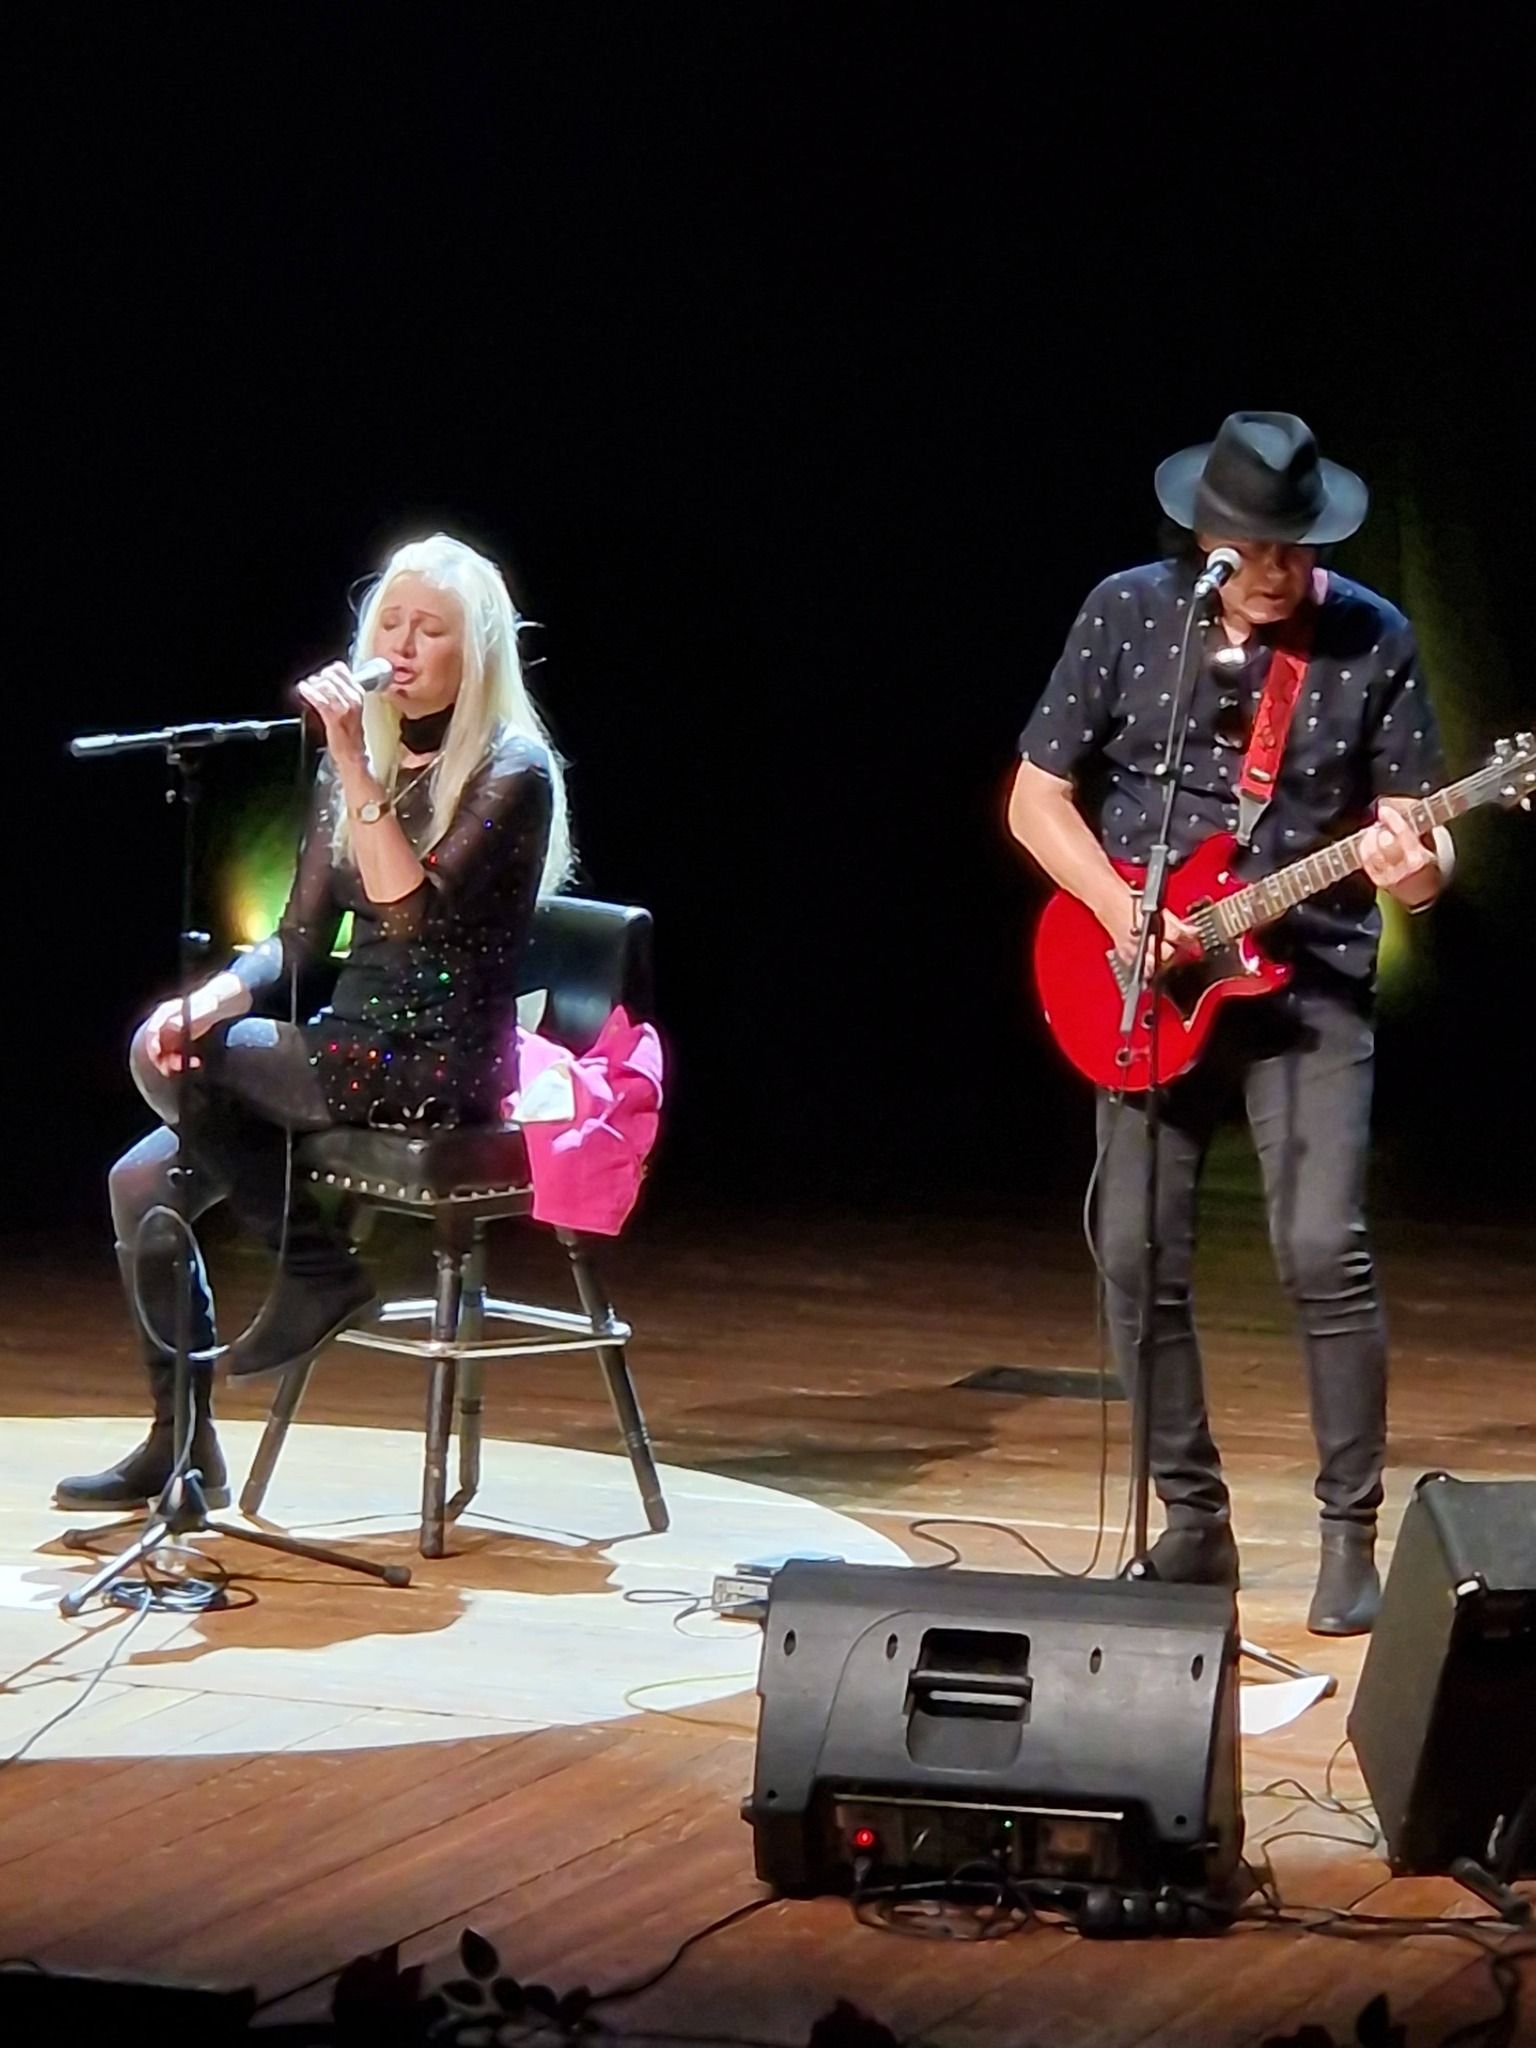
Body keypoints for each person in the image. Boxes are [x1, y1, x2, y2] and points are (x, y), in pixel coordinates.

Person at [1007, 413, 1453, 1635]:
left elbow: (1421, 857)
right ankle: (1192, 1523)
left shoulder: (1373, 637)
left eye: (1297, 548)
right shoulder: (1127, 612)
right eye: (1255, 547)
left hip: (1307, 985)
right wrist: (1122, 910)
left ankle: (1349, 1536)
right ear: (1208, 535)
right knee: (1134, 1250)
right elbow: (1038, 797)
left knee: (1320, 1248)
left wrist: (1414, 866)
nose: (1278, 570)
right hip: (1143, 974)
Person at [56, 533, 572, 1512]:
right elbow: (297, 940)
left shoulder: (512, 768)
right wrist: (216, 993)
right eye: (390, 622)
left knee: (180, 1066)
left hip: (436, 1060)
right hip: (344, 1045)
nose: (401, 645)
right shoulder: (357, 765)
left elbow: (409, 913)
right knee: (140, 1176)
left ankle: (315, 1267)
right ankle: (182, 1446)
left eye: (430, 629)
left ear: (477, 650)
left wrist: (350, 760)